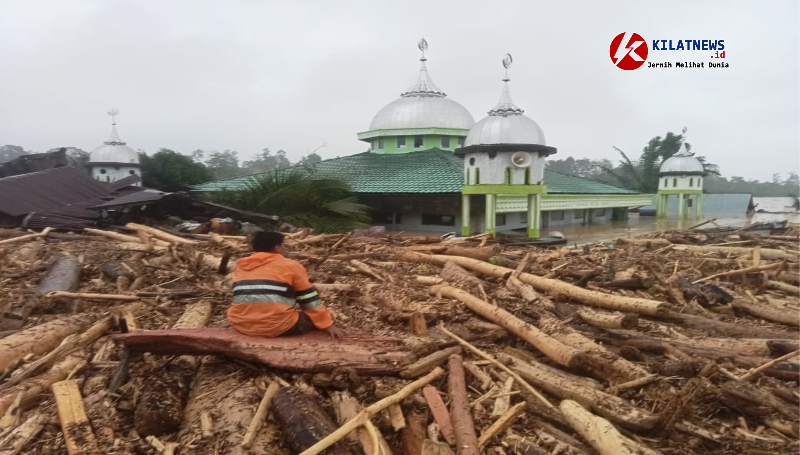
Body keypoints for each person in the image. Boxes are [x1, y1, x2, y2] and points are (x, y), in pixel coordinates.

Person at [227, 231, 345, 340]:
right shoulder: (291, 266)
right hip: (277, 327)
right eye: (283, 245)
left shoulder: (241, 266)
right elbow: (308, 298)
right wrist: (326, 324)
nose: (284, 248)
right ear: (277, 248)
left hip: (240, 324)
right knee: (313, 307)